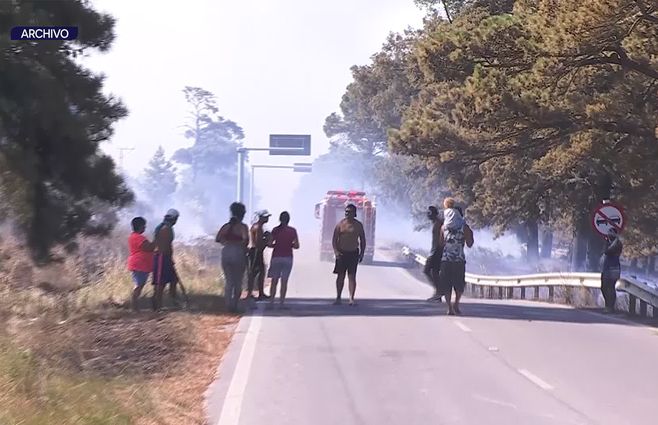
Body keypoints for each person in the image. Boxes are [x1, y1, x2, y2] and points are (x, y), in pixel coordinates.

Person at [439, 200, 474, 315]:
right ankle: (456, 305)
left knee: (446, 284)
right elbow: (469, 244)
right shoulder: (464, 227)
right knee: (459, 284)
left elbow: (441, 244)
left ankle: (449, 307)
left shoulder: (443, 227)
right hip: (459, 259)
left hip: (446, 260)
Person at [216, 202, 250, 313]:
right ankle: (234, 304)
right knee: (238, 281)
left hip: (226, 252)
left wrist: (226, 241)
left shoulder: (226, 226)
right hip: (238, 253)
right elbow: (245, 241)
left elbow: (218, 238)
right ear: (242, 214)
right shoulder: (243, 227)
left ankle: (228, 304)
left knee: (229, 281)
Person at [332, 203, 366, 306]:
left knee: (352, 277)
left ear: (354, 213)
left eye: (350, 212)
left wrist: (362, 253)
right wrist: (336, 252)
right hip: (342, 254)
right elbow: (334, 240)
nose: (347, 214)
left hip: (353, 254)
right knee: (340, 276)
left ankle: (351, 298)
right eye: (346, 212)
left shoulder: (358, 225)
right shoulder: (340, 224)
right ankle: (338, 297)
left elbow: (363, 240)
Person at [267, 211, 299, 309]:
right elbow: (297, 246)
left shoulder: (275, 230)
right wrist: (290, 244)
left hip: (276, 257)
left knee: (274, 281)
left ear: (280, 219)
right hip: (288, 257)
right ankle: (281, 303)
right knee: (284, 281)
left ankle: (271, 303)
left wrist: (276, 245)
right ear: (288, 220)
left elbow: (269, 244)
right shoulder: (292, 231)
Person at [152, 209, 180, 311]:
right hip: (161, 257)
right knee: (161, 283)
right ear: (173, 219)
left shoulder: (166, 227)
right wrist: (166, 258)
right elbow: (163, 246)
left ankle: (174, 301)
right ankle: (157, 305)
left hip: (165, 258)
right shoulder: (165, 229)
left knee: (173, 280)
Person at [127, 217, 155, 311]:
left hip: (141, 264)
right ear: (140, 226)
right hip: (139, 264)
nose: (145, 228)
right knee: (139, 285)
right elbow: (148, 247)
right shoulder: (138, 237)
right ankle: (134, 307)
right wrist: (156, 241)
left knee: (140, 284)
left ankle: (135, 307)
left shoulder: (133, 236)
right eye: (144, 226)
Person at [247, 210, 272, 301]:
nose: (267, 218)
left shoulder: (258, 226)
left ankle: (260, 293)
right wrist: (267, 240)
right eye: (265, 217)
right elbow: (258, 243)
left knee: (260, 272)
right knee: (254, 273)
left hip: (257, 252)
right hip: (256, 252)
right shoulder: (258, 227)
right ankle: (250, 294)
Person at [424, 206, 445, 302]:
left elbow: (438, 241)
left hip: (437, 251)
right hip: (438, 251)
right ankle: (438, 294)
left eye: (429, 213)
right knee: (435, 272)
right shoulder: (437, 223)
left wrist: (432, 254)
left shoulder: (438, 224)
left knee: (427, 270)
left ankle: (439, 291)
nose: (427, 215)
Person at [601, 227, 623, 313]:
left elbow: (608, 251)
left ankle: (610, 307)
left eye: (611, 233)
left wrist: (608, 243)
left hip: (614, 268)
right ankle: (607, 305)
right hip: (606, 267)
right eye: (608, 233)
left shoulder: (617, 244)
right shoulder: (607, 242)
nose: (609, 235)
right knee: (603, 287)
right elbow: (603, 251)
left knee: (610, 287)